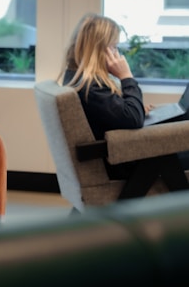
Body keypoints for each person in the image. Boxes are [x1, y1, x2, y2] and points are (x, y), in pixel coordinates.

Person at [58, 13, 189, 198]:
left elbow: (121, 116)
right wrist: (126, 77)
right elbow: (132, 120)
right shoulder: (91, 87)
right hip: (123, 162)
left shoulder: (78, 79)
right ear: (97, 49)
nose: (117, 54)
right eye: (114, 47)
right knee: (175, 149)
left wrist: (130, 108)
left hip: (119, 155)